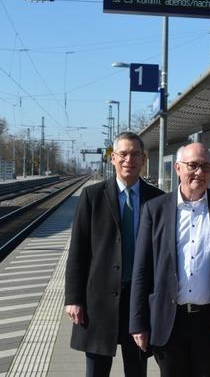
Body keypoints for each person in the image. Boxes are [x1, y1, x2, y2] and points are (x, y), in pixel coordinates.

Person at [129, 142, 210, 377]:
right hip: (169, 322)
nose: (199, 172)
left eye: (206, 167)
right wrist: (138, 322)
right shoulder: (154, 209)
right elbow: (142, 270)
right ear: (178, 168)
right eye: (192, 165)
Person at [65, 131, 164, 377]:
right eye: (123, 154)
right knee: (96, 370)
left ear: (144, 159)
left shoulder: (158, 199)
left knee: (137, 369)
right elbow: (78, 249)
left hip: (139, 300)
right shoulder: (92, 196)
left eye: (135, 154)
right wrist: (73, 298)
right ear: (112, 158)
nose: (128, 159)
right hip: (98, 301)